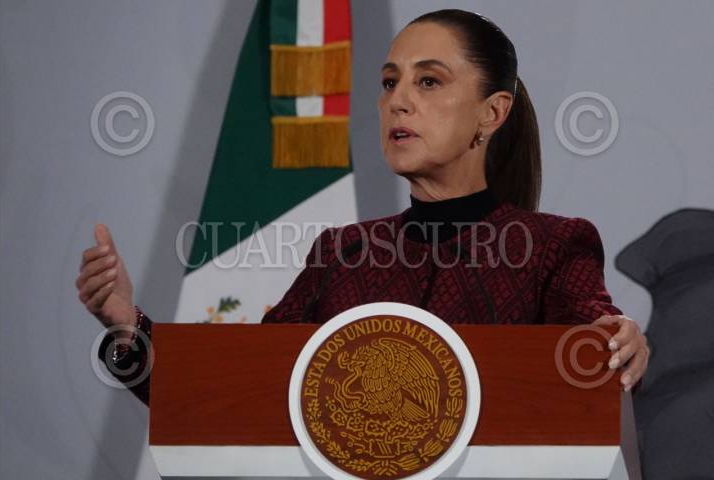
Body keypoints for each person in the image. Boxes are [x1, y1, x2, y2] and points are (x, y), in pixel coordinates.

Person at [76, 9, 649, 407]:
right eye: (389, 82)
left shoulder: (555, 246)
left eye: (429, 82)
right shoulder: (341, 255)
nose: (397, 101)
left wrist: (619, 343)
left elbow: (593, 355)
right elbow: (237, 390)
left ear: (492, 113)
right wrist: (128, 327)